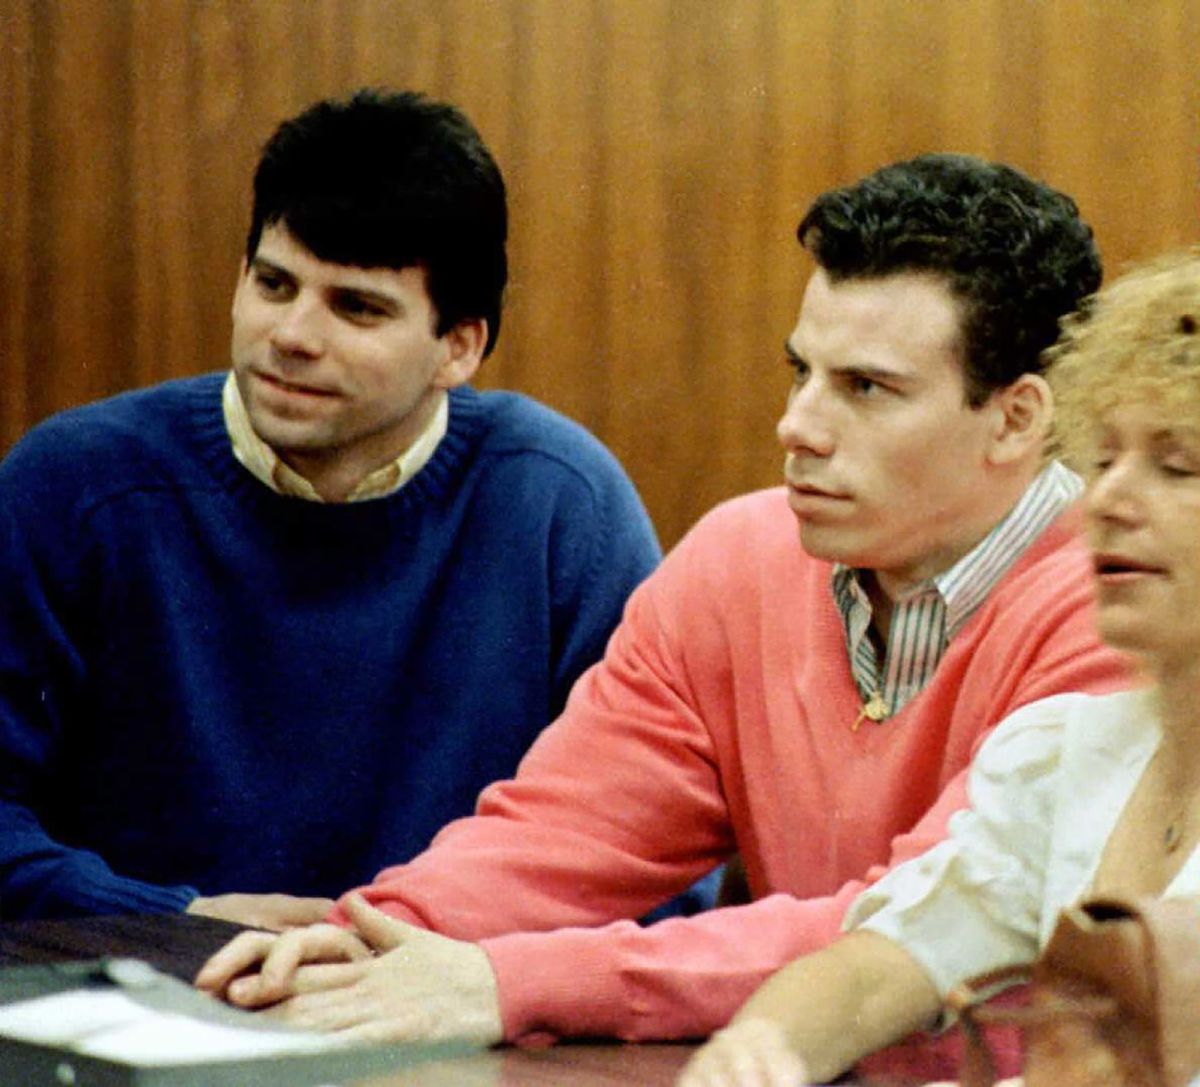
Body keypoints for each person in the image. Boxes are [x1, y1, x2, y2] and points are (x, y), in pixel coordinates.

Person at [194, 153, 1132, 1055]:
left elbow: (903, 933)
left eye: (866, 389)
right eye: (801, 370)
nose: (797, 426)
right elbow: (569, 829)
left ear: (1017, 418)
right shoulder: (742, 554)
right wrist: (381, 934)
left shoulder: (1122, 609)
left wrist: (511, 981)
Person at [0, 88, 661, 927]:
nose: (292, 334)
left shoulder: (561, 504)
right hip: (130, 998)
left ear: (459, 345)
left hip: (454, 1020)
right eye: (275, 285)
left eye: (356, 306)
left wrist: (437, 962)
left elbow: (650, 854)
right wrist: (177, 921)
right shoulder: (76, 484)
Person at [676, 247, 1200, 1087]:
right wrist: (762, 1049)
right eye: (1103, 460)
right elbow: (880, 961)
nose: (1108, 499)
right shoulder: (1059, 754)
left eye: (1178, 465)